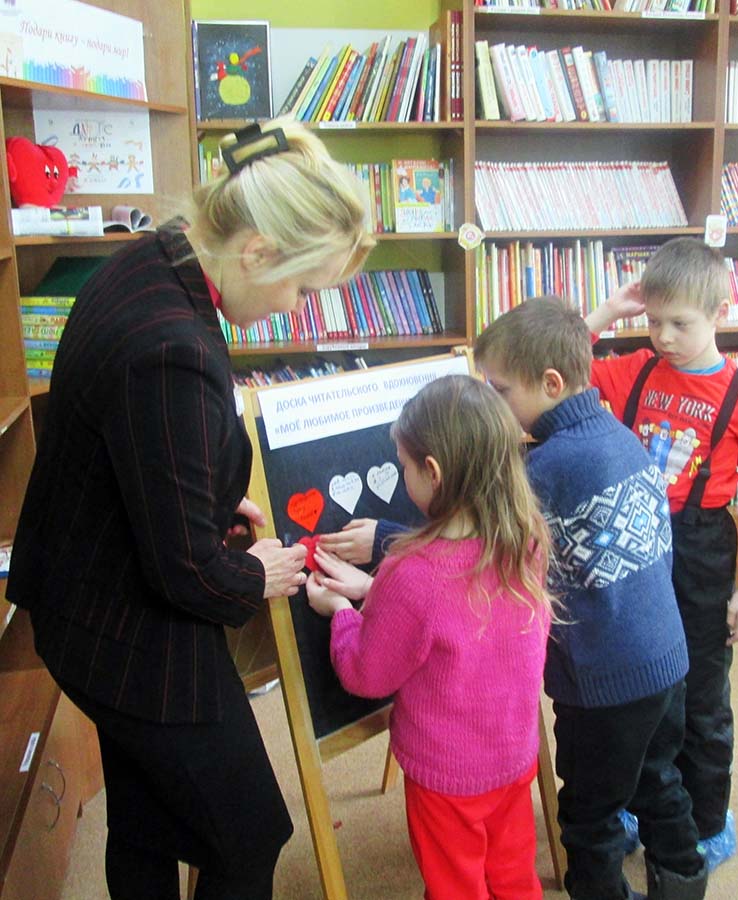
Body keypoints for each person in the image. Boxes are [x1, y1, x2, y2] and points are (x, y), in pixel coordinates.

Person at [6, 119, 374, 900]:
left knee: (148, 815)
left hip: (81, 596)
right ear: (257, 252)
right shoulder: (169, 346)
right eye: (302, 289)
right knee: (249, 832)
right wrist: (259, 574)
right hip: (123, 630)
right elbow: (186, 574)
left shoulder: (156, 256)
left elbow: (133, 440)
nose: (295, 309)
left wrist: (192, 483)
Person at [475, 297, 708, 900]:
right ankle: (684, 882)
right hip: (666, 661)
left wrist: (387, 540)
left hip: (604, 685)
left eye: (500, 390)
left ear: (551, 384)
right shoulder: (622, 438)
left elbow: (477, 547)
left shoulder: (545, 470)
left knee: (588, 813)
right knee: (659, 783)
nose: (493, 404)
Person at [307, 374, 553, 900]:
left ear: (433, 472)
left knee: (455, 886)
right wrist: (374, 590)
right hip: (513, 757)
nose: (402, 475)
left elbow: (365, 674)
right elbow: (470, 622)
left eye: (403, 465)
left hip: (446, 778)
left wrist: (343, 613)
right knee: (513, 875)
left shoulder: (413, 575)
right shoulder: (525, 538)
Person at [585, 237, 738, 871]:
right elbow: (555, 366)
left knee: (701, 693)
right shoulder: (636, 369)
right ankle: (646, 799)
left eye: (681, 324)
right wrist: (606, 315)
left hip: (701, 551)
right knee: (641, 683)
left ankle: (708, 820)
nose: (664, 336)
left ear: (721, 311)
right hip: (636, 542)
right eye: (653, 321)